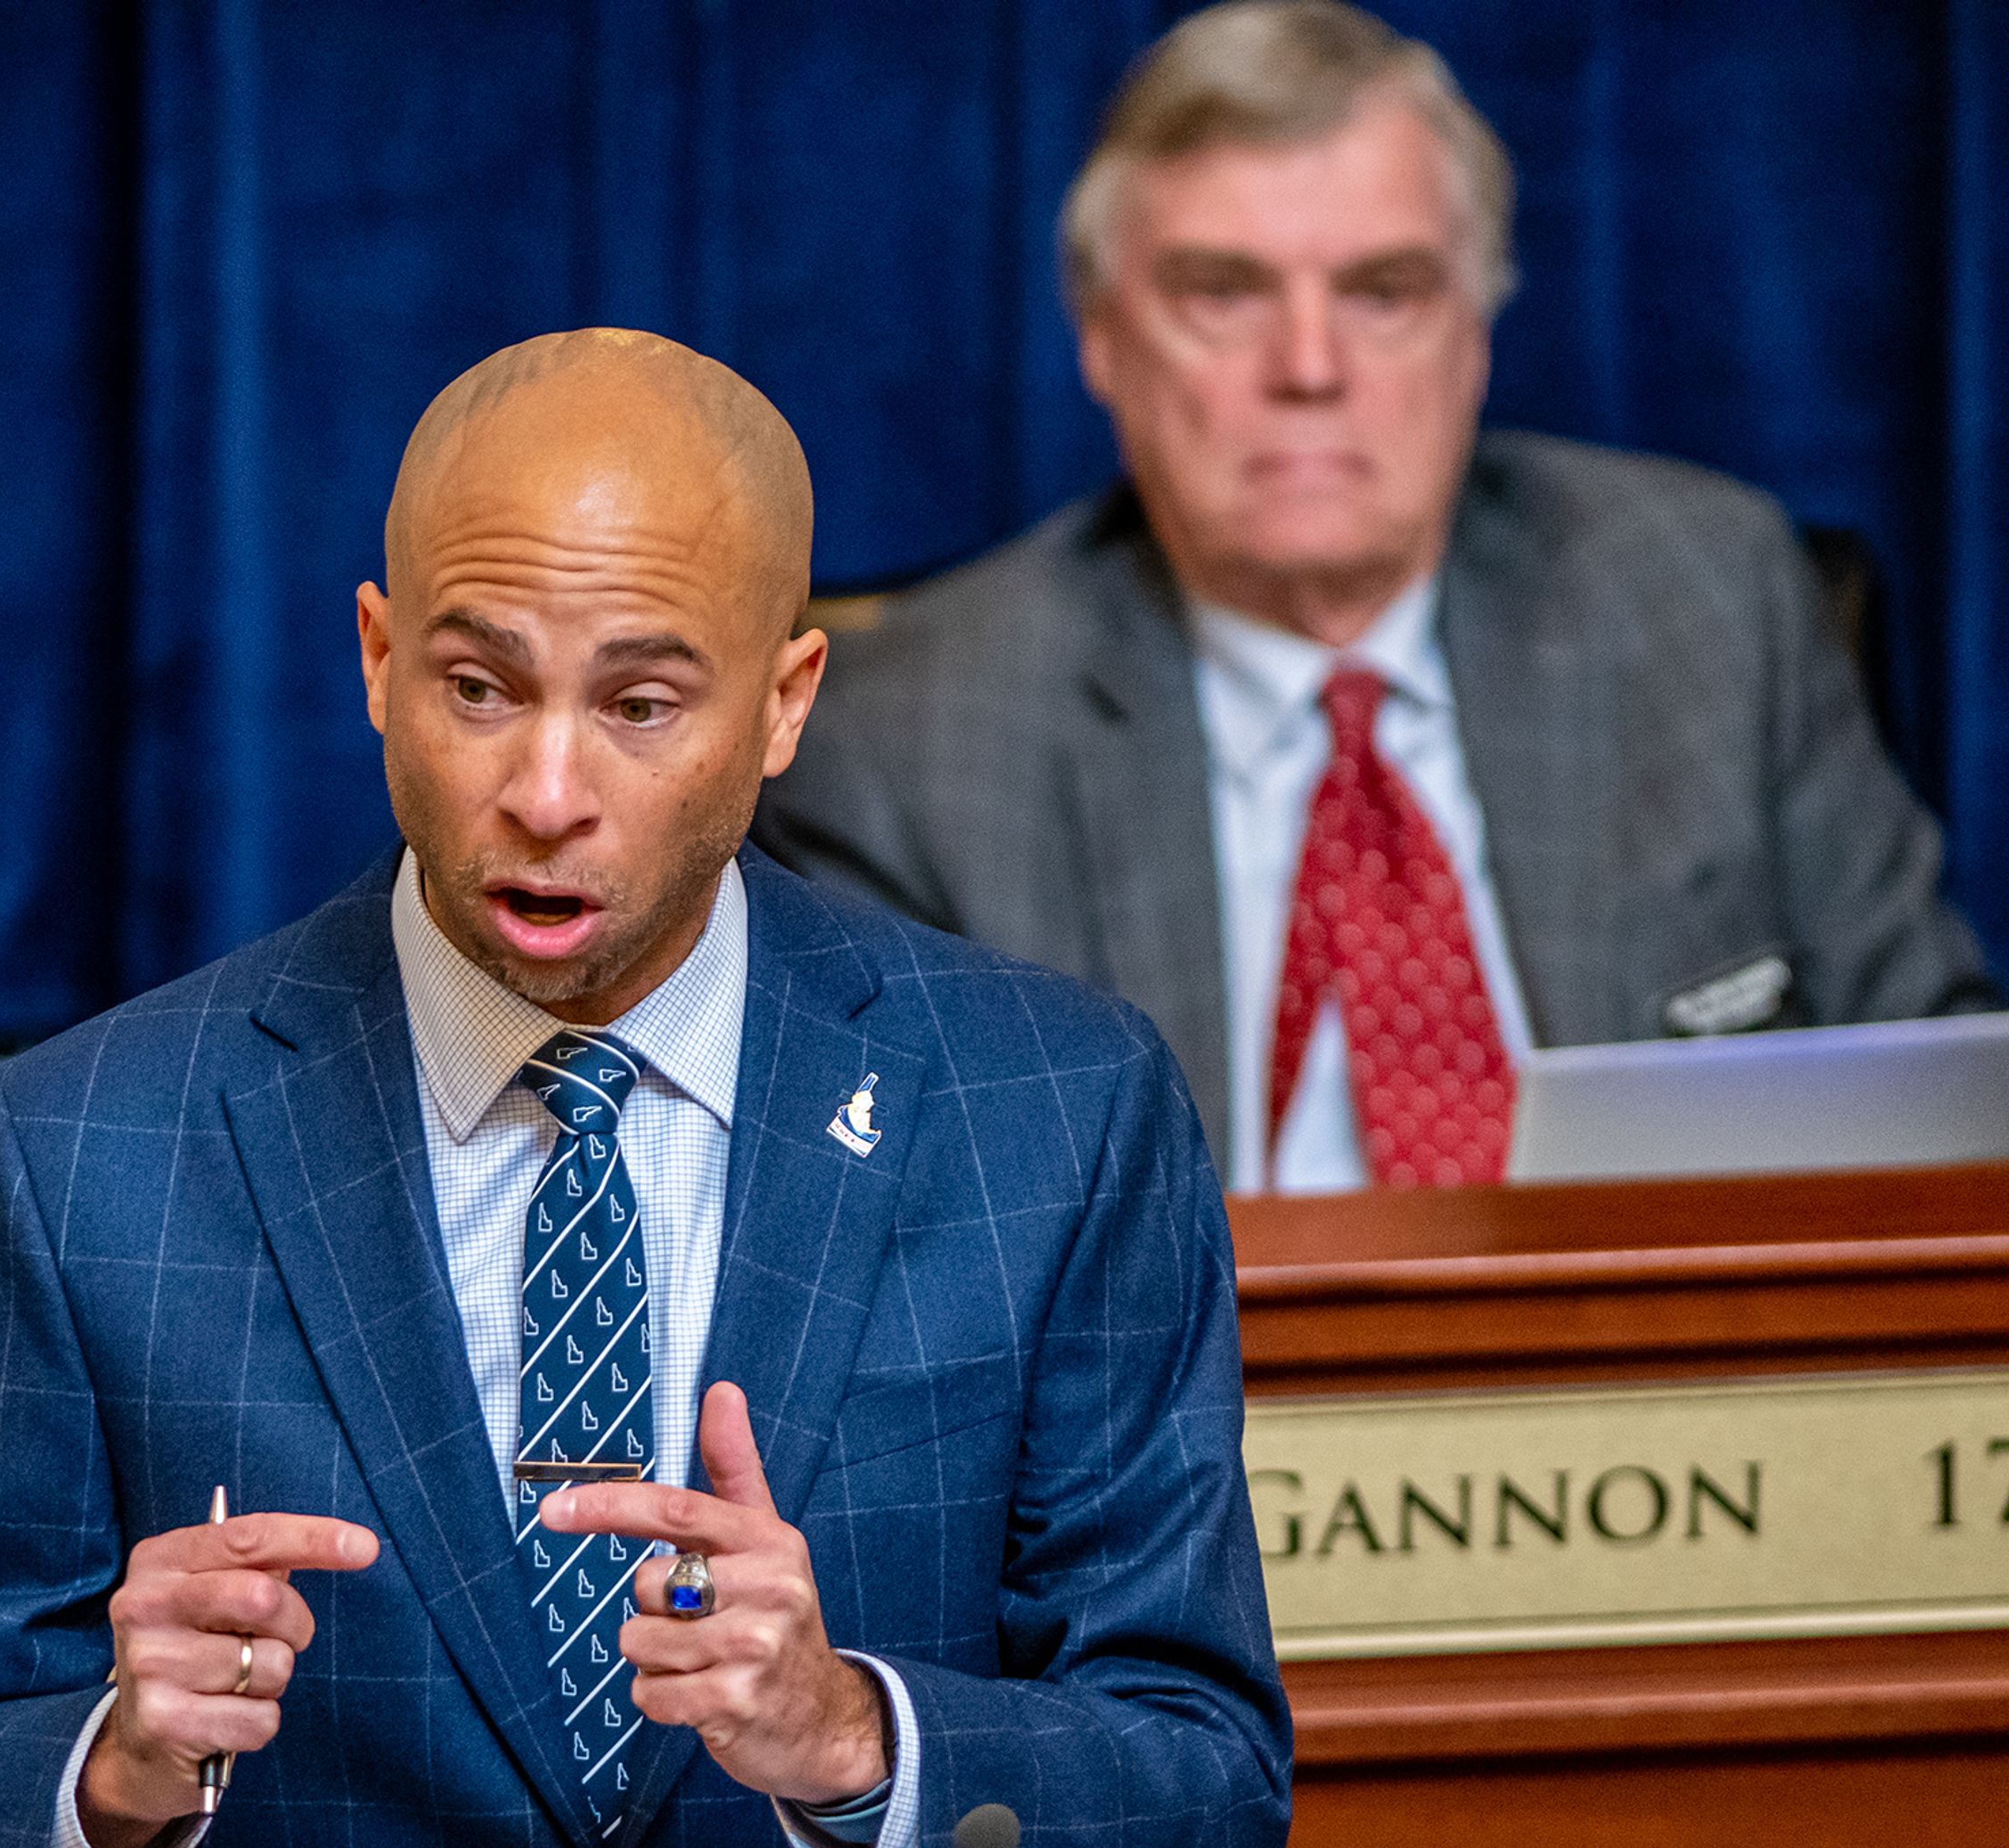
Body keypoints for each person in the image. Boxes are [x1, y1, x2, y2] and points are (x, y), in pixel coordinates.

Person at [0, 329, 1290, 1848]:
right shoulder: (84, 1152)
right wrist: (110, 1769)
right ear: (374, 662)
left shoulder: (1050, 1115)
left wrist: (855, 1738)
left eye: (644, 702)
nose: (546, 790)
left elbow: (1198, 1804)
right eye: (478, 688)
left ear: (786, 702)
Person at [754, 0, 1998, 1194]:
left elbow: (1951, 1117)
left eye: (1384, 292)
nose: (1310, 368)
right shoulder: (910, 745)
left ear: (1477, 332)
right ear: (1102, 339)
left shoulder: (1704, 600)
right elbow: (892, 1251)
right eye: (1224, 293)